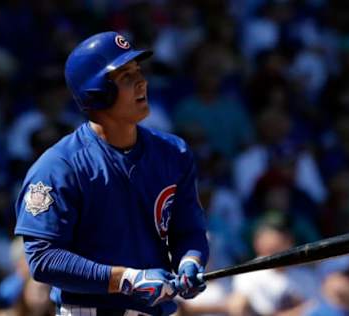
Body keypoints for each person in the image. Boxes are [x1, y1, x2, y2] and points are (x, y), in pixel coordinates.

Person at [14, 31, 209, 316]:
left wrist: (190, 260)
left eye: (139, 71)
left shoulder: (173, 152)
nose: (142, 81)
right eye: (126, 76)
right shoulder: (59, 166)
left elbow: (189, 230)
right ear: (97, 92)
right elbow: (43, 259)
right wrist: (126, 279)